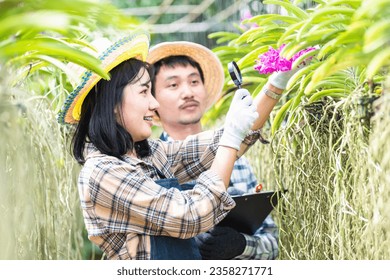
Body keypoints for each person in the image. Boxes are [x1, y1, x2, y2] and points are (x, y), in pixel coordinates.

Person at [58, 31, 298, 260]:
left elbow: (226, 143)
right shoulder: (103, 172)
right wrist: (232, 136)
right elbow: (190, 216)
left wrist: (276, 84)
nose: (153, 103)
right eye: (144, 92)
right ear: (110, 102)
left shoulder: (153, 154)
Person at [147, 41, 278, 260]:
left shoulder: (238, 159)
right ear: (152, 101)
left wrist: (242, 245)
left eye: (194, 81)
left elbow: (272, 243)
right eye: (173, 85)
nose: (188, 92)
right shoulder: (152, 167)